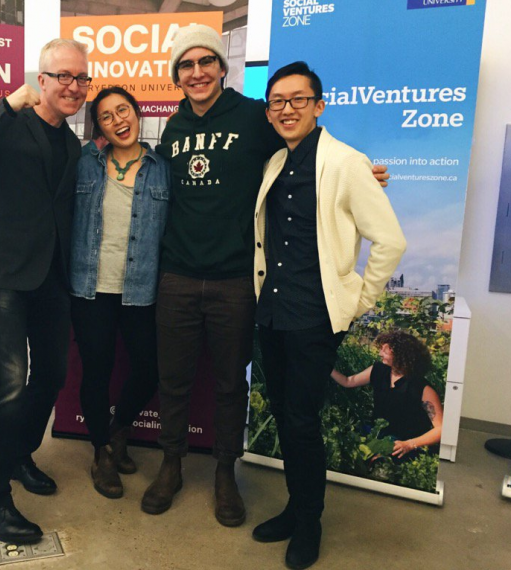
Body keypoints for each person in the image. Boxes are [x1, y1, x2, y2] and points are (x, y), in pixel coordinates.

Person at [143, 25, 390, 531]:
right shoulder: (173, 127)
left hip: (237, 280)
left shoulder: (256, 115)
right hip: (178, 276)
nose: (197, 73)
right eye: (186, 66)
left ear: (221, 67)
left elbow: (314, 150)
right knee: (173, 380)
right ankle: (171, 465)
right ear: (177, 75)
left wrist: (366, 168)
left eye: (205, 62)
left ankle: (224, 474)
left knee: (232, 384)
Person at [251, 61, 406, 569]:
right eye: (278, 101)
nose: (287, 109)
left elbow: (390, 240)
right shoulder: (275, 162)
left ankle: (308, 521)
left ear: (319, 106)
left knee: (301, 421)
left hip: (312, 320)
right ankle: (295, 510)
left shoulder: (344, 162)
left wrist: (358, 300)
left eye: (299, 99)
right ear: (269, 111)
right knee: (286, 413)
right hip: (271, 312)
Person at [0, 38, 89, 544]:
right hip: (1, 274)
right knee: (8, 382)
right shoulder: (8, 124)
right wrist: (7, 103)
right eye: (64, 77)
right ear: (42, 81)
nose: (74, 87)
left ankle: (19, 453)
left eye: (81, 79)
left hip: (50, 276)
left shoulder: (72, 145)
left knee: (50, 374)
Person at [70, 87, 169, 499]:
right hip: (90, 286)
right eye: (107, 116)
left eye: (123, 110)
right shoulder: (84, 165)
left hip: (141, 287)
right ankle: (102, 453)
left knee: (150, 370)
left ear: (137, 113)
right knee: (96, 370)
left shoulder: (163, 168)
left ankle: (117, 431)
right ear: (100, 127)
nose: (118, 120)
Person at [331, 330, 443, 458]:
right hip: (376, 433)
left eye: (384, 350)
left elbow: (440, 429)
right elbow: (347, 381)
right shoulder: (378, 370)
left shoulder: (422, 388)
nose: (379, 354)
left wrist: (410, 444)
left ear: (400, 354)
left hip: (402, 442)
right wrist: (326, 367)